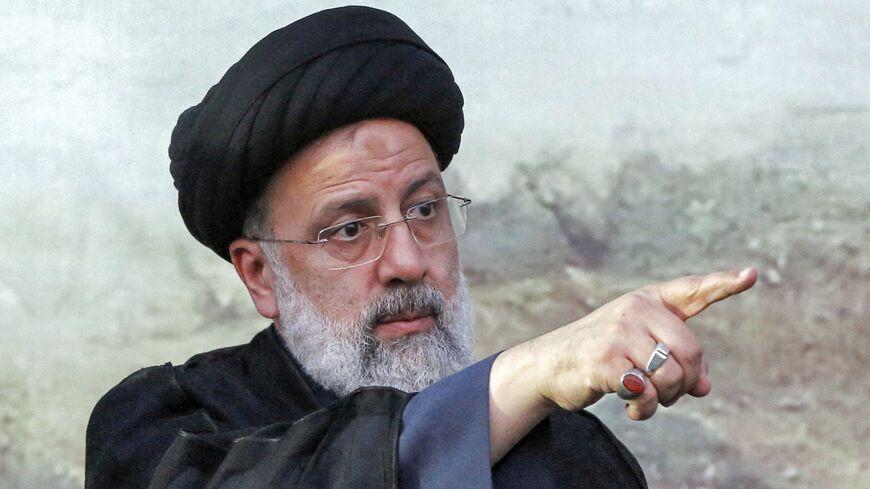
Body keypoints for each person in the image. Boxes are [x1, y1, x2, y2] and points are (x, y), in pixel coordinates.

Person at [84, 6, 757, 489]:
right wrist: (514, 379)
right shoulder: (171, 428)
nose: (409, 262)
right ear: (260, 273)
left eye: (425, 210)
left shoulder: (565, 447)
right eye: (350, 229)